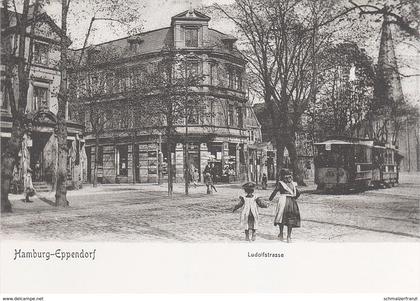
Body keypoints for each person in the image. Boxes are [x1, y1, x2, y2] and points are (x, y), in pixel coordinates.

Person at [269, 169, 301, 243]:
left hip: (283, 201)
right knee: (290, 218)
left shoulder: (280, 183)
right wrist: (294, 198)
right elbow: (298, 193)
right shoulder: (293, 184)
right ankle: (289, 237)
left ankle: (281, 234)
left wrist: (270, 199)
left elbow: (275, 191)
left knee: (281, 218)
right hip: (292, 202)